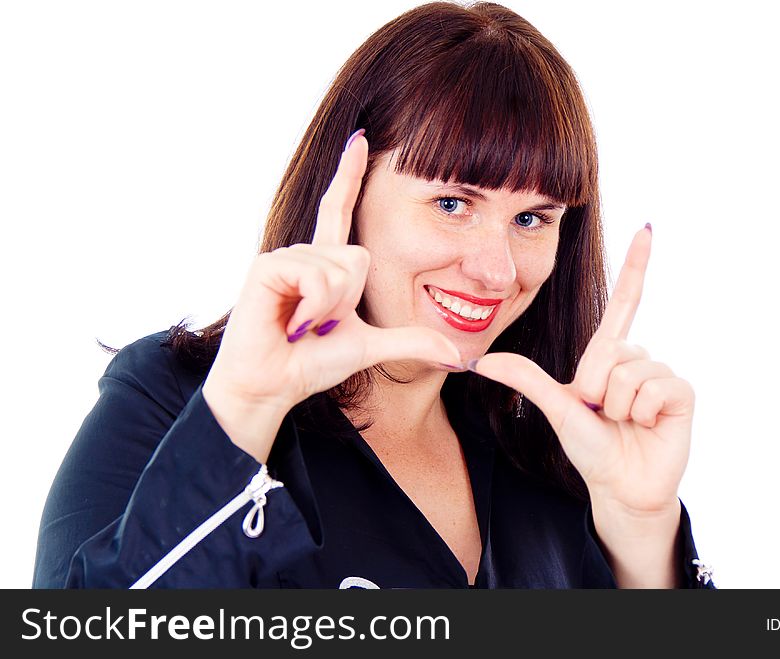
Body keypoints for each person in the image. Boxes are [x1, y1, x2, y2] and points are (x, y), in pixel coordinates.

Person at [34, 1, 715, 589]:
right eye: (452, 202)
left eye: (532, 218)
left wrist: (643, 538)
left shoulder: (549, 458)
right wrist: (241, 417)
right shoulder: (180, 399)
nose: (497, 271)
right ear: (350, 190)